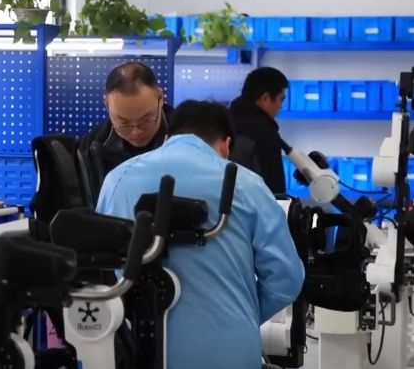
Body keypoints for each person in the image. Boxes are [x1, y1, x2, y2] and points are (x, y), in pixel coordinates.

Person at [97, 100, 305, 369]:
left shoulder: (117, 179)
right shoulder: (247, 184)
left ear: (167, 137)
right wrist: (240, 315)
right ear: (226, 145)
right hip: (229, 352)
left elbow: (103, 267)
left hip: (140, 349)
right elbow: (286, 279)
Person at [76, 61, 172, 203]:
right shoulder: (91, 150)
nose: (136, 132)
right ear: (107, 104)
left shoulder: (189, 139)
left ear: (160, 97)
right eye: (124, 123)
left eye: (146, 120)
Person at [228, 66, 289, 194]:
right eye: (281, 99)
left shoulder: (224, 119)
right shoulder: (266, 134)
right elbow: (275, 190)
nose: (280, 106)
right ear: (265, 98)